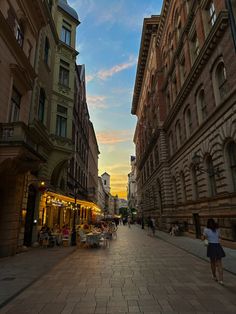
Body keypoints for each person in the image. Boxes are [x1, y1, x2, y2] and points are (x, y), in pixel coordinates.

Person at [202, 218, 226, 285]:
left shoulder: (206, 229)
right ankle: (221, 280)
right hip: (218, 246)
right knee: (220, 263)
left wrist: (206, 238)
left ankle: (214, 276)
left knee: (212, 262)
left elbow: (203, 238)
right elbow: (219, 237)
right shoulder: (218, 229)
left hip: (211, 247)